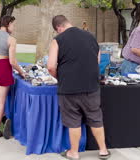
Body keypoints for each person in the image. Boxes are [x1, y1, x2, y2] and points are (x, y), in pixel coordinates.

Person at [47, 15, 110, 160]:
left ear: (59, 28)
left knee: (73, 120)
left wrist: (60, 77)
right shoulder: (91, 36)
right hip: (91, 86)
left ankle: (74, 153)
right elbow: (97, 60)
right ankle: (103, 150)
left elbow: (50, 66)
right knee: (95, 118)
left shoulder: (58, 40)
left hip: (68, 88)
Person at [0, 16, 25, 139]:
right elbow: (12, 61)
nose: (14, 27)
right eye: (13, 25)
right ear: (8, 24)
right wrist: (21, 72)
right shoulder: (11, 39)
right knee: (1, 101)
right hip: (3, 67)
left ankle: (3, 119)